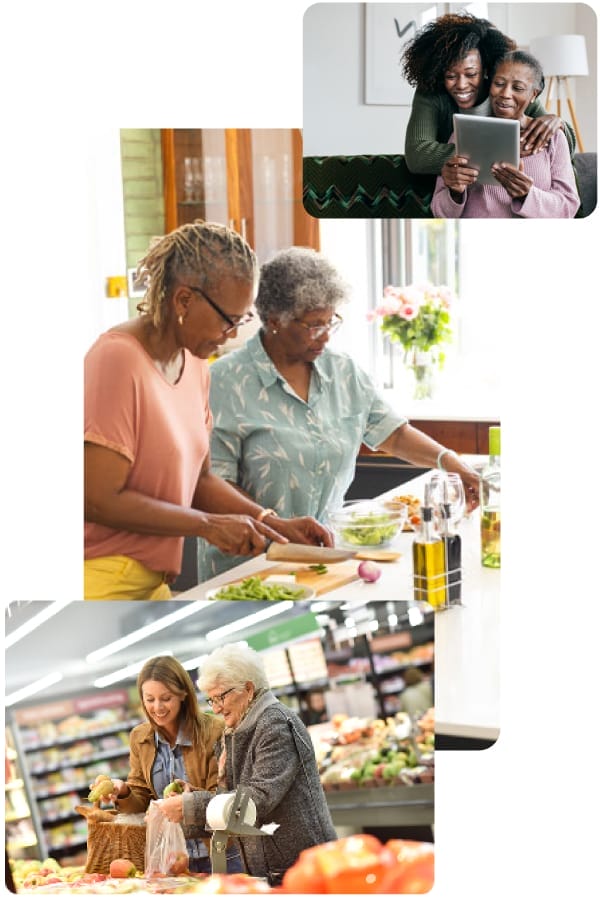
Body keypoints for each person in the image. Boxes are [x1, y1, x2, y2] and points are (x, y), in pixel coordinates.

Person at [198, 246, 482, 579]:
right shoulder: (224, 382)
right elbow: (213, 482)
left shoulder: (342, 372)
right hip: (248, 566)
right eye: (314, 325)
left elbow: (393, 432)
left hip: (325, 559)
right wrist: (271, 522)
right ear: (275, 320)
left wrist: (452, 463)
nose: (326, 335)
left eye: (331, 321)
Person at [84, 220, 332, 600]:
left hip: (152, 585)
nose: (232, 333)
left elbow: (200, 481)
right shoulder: (116, 359)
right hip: (101, 581)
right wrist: (207, 526)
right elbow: (98, 498)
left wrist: (270, 523)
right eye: (228, 319)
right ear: (184, 300)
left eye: (242, 319)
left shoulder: (196, 366)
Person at [158, 643, 338, 885]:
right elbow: (229, 803)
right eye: (211, 700)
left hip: (300, 866)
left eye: (221, 697)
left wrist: (191, 806)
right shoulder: (236, 729)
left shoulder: (275, 725)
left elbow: (258, 799)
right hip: (268, 867)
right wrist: (190, 804)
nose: (217, 708)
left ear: (249, 689)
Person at [90, 656, 241, 873]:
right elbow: (141, 798)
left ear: (183, 695)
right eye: (149, 699)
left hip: (220, 853)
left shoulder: (214, 731)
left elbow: (222, 796)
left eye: (166, 698)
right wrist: (122, 791)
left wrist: (185, 802)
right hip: (171, 857)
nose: (157, 707)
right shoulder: (140, 738)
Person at [401, 13, 575, 176]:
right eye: (451, 76)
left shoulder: (507, 92)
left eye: (471, 74)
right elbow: (418, 155)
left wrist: (558, 124)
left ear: (486, 70)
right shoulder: (431, 91)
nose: (461, 85)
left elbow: (566, 148)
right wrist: (499, 150)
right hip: (454, 189)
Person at [431, 51, 580, 218]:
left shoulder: (554, 138)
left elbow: (568, 207)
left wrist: (527, 195)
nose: (505, 94)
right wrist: (454, 192)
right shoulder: (464, 131)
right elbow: (439, 212)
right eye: (499, 83)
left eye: (517, 88)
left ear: (534, 95)